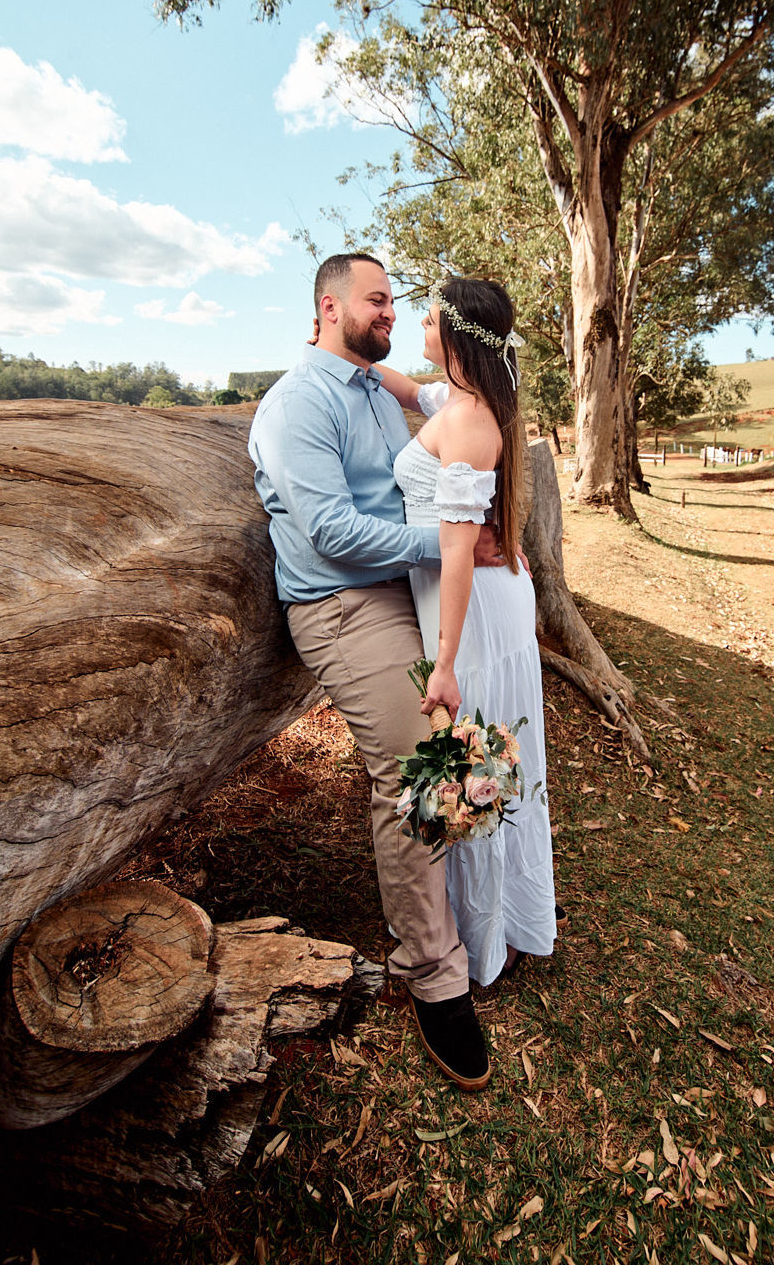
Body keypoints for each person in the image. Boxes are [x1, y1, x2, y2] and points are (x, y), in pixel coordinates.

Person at [248, 253, 499, 1091]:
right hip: (344, 605)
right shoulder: (297, 405)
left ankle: (488, 907)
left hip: (408, 591)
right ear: (329, 306)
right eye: (378, 299)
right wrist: (451, 545)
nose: (391, 311)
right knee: (413, 770)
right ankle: (434, 973)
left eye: (395, 300)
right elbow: (332, 533)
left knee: (469, 734)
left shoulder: (369, 391)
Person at [375, 277, 557, 987]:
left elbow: (455, 551)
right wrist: (337, 359)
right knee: (490, 762)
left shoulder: (472, 420)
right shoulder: (456, 400)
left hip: (472, 612)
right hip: (478, 597)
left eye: (427, 314)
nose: (416, 321)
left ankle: (493, 932)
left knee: (481, 764)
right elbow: (405, 387)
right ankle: (493, 916)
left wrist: (444, 662)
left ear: (455, 332)